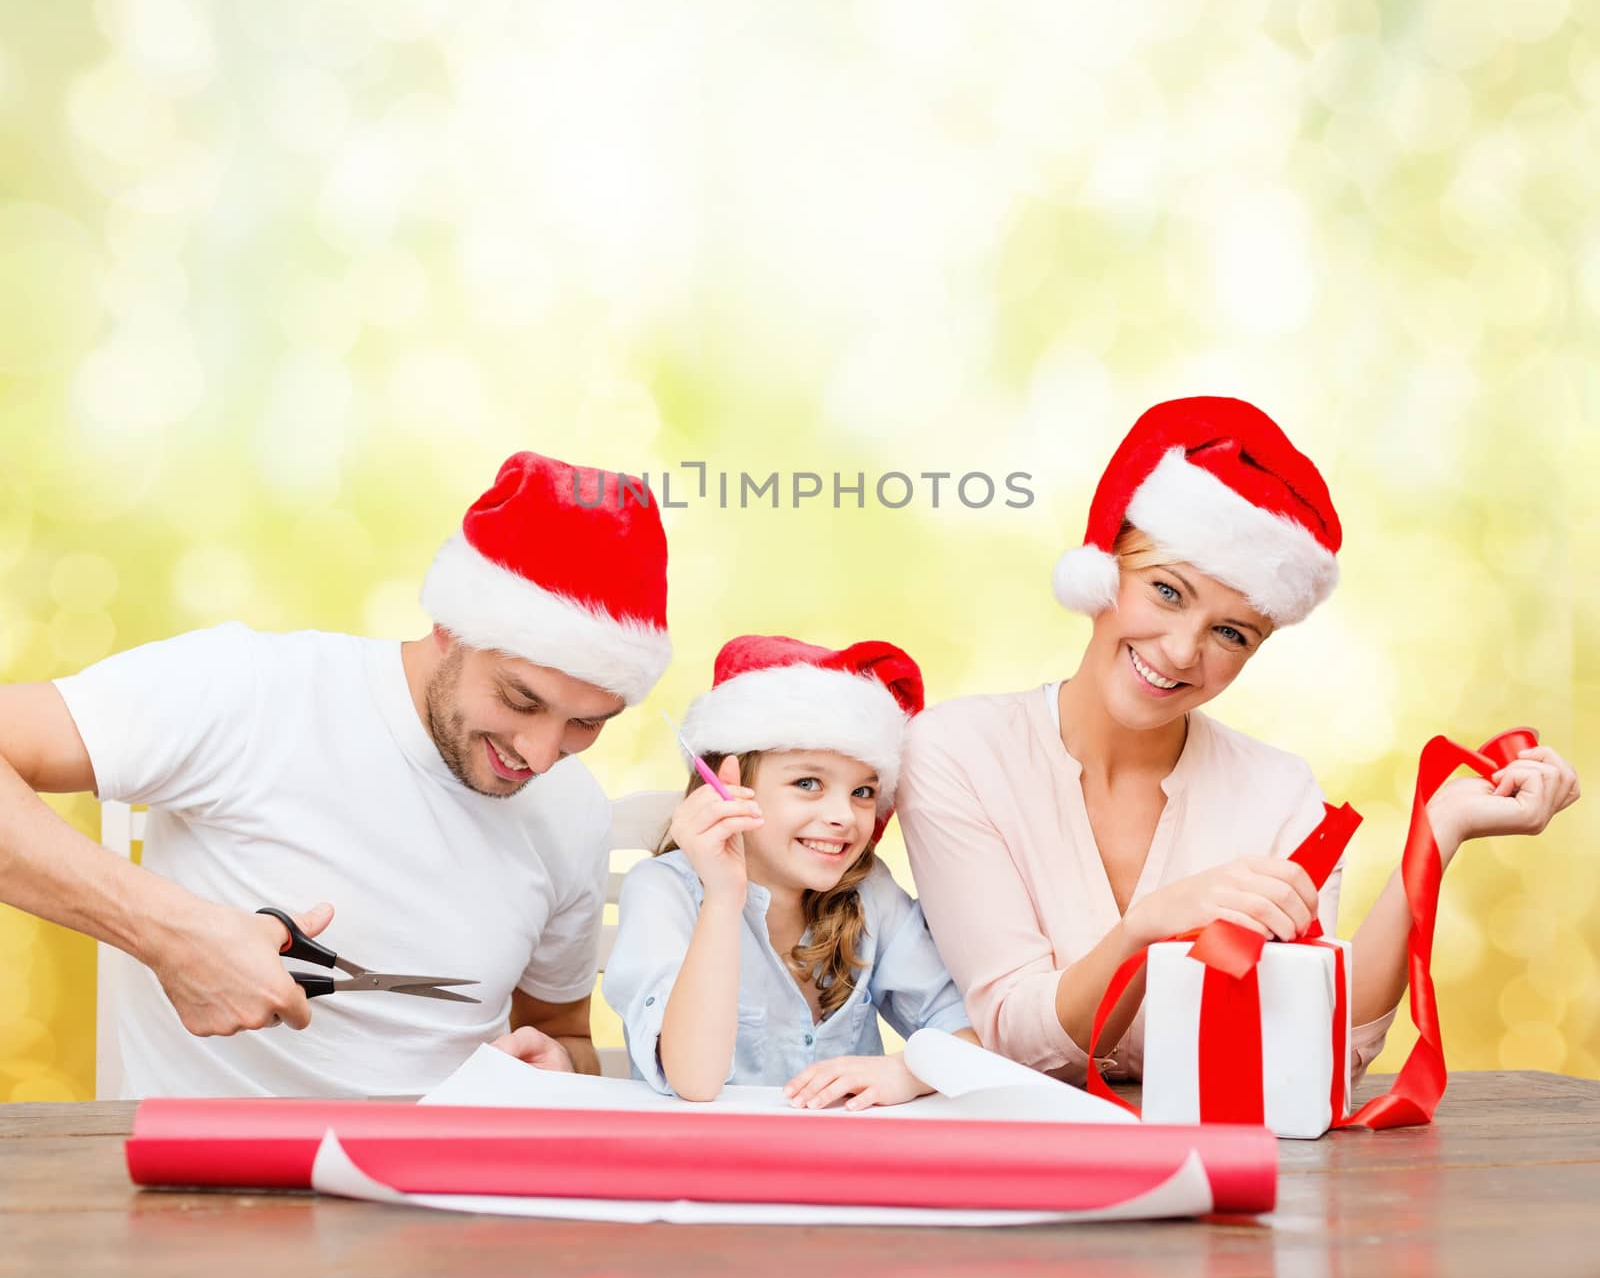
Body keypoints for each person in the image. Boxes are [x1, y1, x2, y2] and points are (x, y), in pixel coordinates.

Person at [896, 396, 1580, 1086]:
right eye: (1167, 591)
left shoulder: (1279, 794)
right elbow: (1016, 1037)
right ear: (1107, 570)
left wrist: (1439, 832)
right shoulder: (956, 753)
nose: (1182, 650)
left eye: (1231, 633)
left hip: (1231, 1168)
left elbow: (1320, 1045)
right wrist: (1148, 926)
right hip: (1022, 1167)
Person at [0, 450, 672, 1097]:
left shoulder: (572, 810)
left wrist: (559, 1064)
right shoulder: (249, 690)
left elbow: (560, 1031)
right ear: (449, 626)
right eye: (521, 700)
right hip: (211, 1194)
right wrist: (168, 931)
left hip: (443, 1195)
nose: (542, 754)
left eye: (587, 723)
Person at [605, 635, 976, 1108]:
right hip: (702, 1170)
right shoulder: (663, 891)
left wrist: (908, 1071)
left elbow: (967, 1032)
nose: (845, 815)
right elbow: (694, 1080)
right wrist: (723, 898)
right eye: (808, 783)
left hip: (839, 1168)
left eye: (863, 792)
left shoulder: (869, 893)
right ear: (726, 784)